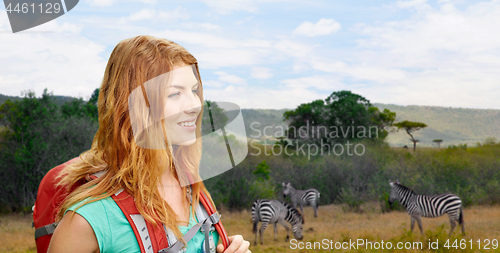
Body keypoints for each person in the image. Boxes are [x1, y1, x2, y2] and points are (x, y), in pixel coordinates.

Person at [48, 35, 250, 253]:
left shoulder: (192, 189)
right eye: (175, 93)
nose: (194, 105)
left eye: (193, 90)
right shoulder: (88, 218)